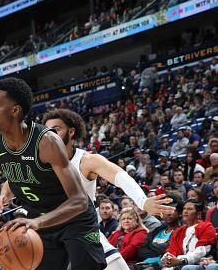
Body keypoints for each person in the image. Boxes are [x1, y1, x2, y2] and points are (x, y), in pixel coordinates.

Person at [0, 77, 106, 270]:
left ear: (15, 110)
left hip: (74, 218)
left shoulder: (46, 141)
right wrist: (5, 193)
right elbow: (17, 170)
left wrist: (37, 222)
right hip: (38, 217)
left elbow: (80, 201)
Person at [42, 108, 174, 270]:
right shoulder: (41, 165)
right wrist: (4, 194)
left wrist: (143, 201)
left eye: (56, 129)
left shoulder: (87, 161)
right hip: (55, 242)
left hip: (85, 234)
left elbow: (121, 177)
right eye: (47, 131)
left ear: (71, 132)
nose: (50, 135)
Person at [161, 200, 216, 270]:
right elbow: (172, 249)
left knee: (187, 268)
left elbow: (202, 251)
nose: (185, 211)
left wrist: (181, 260)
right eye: (184, 209)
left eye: (190, 209)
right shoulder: (179, 231)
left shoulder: (207, 227)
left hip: (199, 263)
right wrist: (167, 259)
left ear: (198, 214)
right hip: (178, 263)